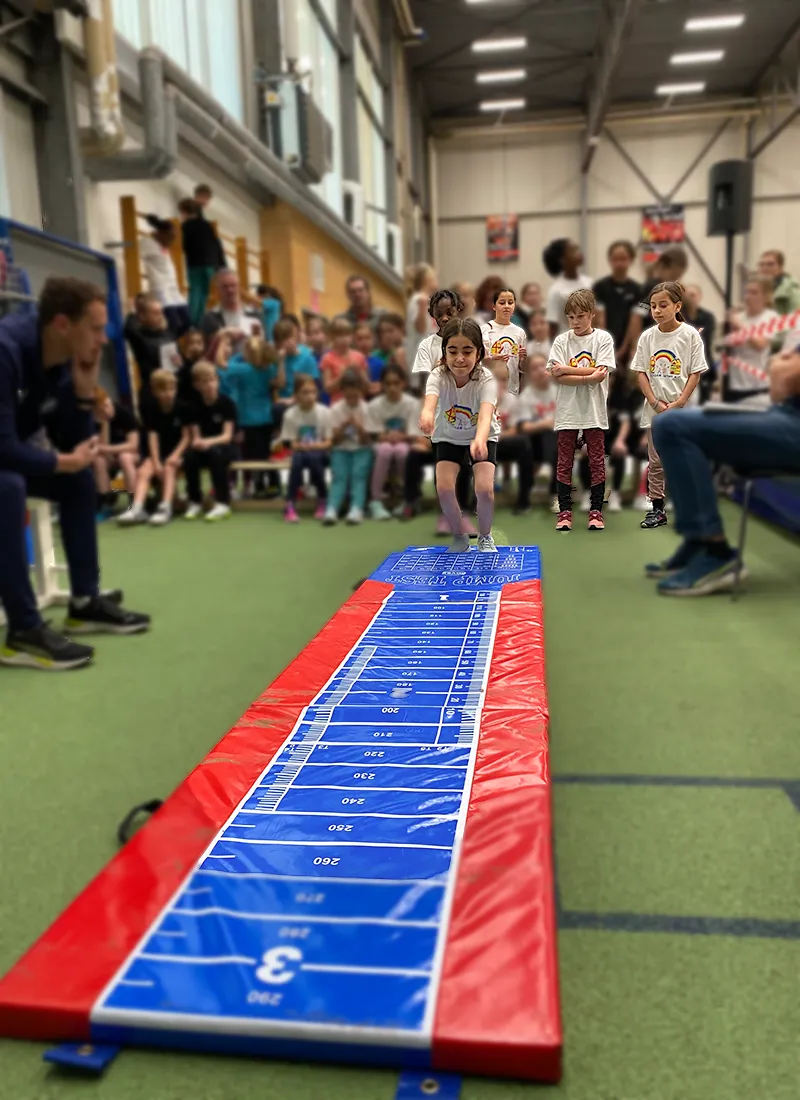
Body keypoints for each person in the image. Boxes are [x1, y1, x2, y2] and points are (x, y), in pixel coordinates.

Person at [0, 277, 149, 670]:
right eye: (96, 329)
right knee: (8, 486)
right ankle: (23, 630)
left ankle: (84, 603)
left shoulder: (63, 362)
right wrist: (60, 461)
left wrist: (83, 396)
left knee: (78, 480)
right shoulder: (6, 351)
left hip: (9, 456)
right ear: (63, 324)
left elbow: (78, 447)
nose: (103, 339)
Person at [647, 345, 800, 595]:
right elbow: (779, 383)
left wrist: (784, 365)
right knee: (674, 424)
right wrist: (783, 368)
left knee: (673, 425)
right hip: (785, 414)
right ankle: (698, 542)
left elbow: (784, 376)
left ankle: (714, 549)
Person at [630, 281, 708, 530]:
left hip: (683, 411)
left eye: (663, 305)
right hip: (656, 411)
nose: (657, 310)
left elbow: (695, 372)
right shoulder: (647, 337)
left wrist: (680, 402)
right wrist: (654, 401)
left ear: (677, 306)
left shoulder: (690, 335)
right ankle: (657, 510)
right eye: (653, 306)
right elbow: (641, 372)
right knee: (656, 461)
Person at [419, 318, 499, 553]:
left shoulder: (486, 379)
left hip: (481, 437)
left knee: (484, 489)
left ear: (479, 353)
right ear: (444, 353)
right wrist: (426, 415)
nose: (460, 358)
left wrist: (480, 439)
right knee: (444, 488)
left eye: (467, 351)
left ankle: (485, 536)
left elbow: (485, 415)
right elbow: (430, 401)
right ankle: (459, 535)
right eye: (453, 351)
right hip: (448, 436)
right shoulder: (438, 375)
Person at [547, 288, 616, 532]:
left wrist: (568, 369)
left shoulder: (603, 339)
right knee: (564, 461)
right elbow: (559, 377)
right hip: (568, 412)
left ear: (592, 315)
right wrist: (589, 374)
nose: (576, 322)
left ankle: (596, 511)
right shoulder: (561, 341)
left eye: (581, 316)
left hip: (594, 412)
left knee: (597, 460)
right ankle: (565, 512)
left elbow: (602, 374)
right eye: (571, 317)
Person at [118, 369, 191, 527]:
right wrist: (156, 461)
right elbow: (153, 437)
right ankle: (138, 508)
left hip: (180, 452)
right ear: (155, 391)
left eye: (172, 389)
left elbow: (186, 437)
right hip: (160, 452)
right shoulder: (152, 410)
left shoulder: (183, 407)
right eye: (164, 390)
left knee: (169, 467)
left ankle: (166, 508)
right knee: (144, 470)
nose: (168, 393)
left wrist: (174, 456)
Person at [224, 336, 282, 496]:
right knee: (266, 454)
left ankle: (261, 486)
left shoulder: (245, 369)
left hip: (249, 420)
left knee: (255, 456)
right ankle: (271, 485)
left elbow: (222, 364)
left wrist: (223, 339)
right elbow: (280, 382)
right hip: (266, 418)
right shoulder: (269, 369)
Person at [183, 360, 236, 521]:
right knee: (190, 456)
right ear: (197, 385)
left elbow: (227, 436)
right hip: (204, 447)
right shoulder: (192, 406)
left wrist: (208, 442)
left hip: (224, 448)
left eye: (213, 380)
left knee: (215, 454)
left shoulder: (227, 403)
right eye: (205, 382)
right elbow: (196, 435)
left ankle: (223, 503)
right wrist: (198, 442)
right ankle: (195, 501)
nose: (210, 385)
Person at [366, 363, 419, 519]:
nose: (392, 388)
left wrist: (399, 437)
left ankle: (406, 498)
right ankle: (375, 500)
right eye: (388, 384)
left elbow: (412, 432)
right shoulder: (375, 405)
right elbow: (374, 433)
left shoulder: (412, 403)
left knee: (402, 452)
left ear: (403, 383)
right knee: (385, 451)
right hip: (382, 442)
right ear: (382, 385)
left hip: (405, 442)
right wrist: (387, 436)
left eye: (396, 383)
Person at [324, 368, 373, 525]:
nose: (352, 398)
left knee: (359, 477)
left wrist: (358, 427)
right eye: (348, 395)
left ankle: (356, 508)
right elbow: (334, 440)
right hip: (341, 449)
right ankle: (332, 508)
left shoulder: (367, 409)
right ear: (342, 392)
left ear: (361, 391)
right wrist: (344, 427)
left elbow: (367, 440)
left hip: (361, 449)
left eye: (355, 395)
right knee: (339, 477)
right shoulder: (336, 409)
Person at [577, 370, 630, 514]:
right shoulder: (588, 395)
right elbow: (580, 421)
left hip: (612, 440)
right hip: (591, 438)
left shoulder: (619, 398)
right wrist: (584, 443)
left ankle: (615, 494)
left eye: (610, 376)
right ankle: (588, 494)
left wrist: (620, 441)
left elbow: (625, 421)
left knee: (620, 452)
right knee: (585, 454)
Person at [281, 373, 331, 523]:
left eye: (313, 392)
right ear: (296, 395)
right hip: (301, 452)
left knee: (314, 458)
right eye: (305, 392)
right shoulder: (290, 414)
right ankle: (290, 504)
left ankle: (323, 499)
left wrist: (315, 446)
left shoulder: (325, 412)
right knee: (296, 461)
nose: (310, 396)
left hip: (321, 452)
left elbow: (329, 442)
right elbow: (290, 442)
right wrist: (301, 446)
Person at [724, 276, 778, 405]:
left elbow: (760, 344)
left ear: (766, 297)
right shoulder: (738, 317)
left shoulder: (770, 317)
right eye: (746, 292)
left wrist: (739, 326)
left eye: (754, 292)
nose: (748, 296)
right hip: (734, 383)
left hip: (757, 384)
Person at [492, 360, 534, 515]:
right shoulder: (478, 398)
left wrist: (499, 435)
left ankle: (524, 501)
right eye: (497, 380)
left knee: (524, 444)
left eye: (504, 380)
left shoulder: (511, 400)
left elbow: (514, 430)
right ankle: (468, 503)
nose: (500, 384)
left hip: (500, 443)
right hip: (480, 444)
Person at [517, 352, 558, 509]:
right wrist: (545, 423)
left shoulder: (559, 391)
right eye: (535, 368)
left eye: (543, 366)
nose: (541, 370)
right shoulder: (526, 396)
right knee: (548, 432)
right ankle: (545, 470)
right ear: (529, 374)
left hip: (558, 440)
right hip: (534, 443)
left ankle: (556, 495)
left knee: (557, 440)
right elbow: (525, 427)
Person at [178, 197, 226, 326]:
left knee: (195, 291)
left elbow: (183, 245)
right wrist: (221, 265)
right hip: (211, 263)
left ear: (184, 212)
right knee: (204, 292)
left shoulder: (185, 227)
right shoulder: (207, 225)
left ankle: (192, 322)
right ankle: (199, 321)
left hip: (195, 263)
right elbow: (217, 244)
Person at [592, 240, 641, 363]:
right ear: (610, 260)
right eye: (615, 259)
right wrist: (607, 348)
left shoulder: (638, 289)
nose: (619, 263)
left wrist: (626, 348)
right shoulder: (599, 287)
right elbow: (599, 319)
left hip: (627, 346)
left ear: (631, 260)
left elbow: (635, 320)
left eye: (623, 259)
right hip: (603, 346)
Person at [93, 390, 140, 517]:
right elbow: (102, 445)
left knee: (124, 457)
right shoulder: (98, 420)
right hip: (112, 456)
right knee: (98, 460)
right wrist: (105, 423)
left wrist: (107, 450)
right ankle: (106, 503)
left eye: (107, 406)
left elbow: (133, 445)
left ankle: (134, 503)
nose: (105, 411)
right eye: (100, 411)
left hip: (135, 455)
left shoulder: (124, 414)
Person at [141, 215, 190, 336]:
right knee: (173, 324)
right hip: (160, 290)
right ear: (161, 233)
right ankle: (165, 345)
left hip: (173, 290)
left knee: (188, 322)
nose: (172, 241)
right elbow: (134, 257)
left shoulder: (163, 247)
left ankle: (168, 342)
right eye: (170, 237)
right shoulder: (147, 243)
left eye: (174, 238)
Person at [123, 293, 180, 396]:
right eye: (155, 313)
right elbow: (129, 329)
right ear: (143, 316)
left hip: (173, 388)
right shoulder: (140, 336)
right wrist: (131, 312)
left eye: (161, 312)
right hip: (153, 391)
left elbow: (178, 360)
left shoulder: (167, 333)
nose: (160, 316)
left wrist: (180, 363)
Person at [543, 238, 594, 340]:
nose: (579, 253)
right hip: (569, 344)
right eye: (573, 251)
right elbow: (553, 326)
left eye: (578, 249)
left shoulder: (590, 283)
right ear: (562, 260)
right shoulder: (556, 291)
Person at [481, 287, 527, 395]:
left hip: (511, 389)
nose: (506, 306)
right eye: (502, 303)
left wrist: (523, 359)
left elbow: (521, 368)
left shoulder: (520, 332)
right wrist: (493, 359)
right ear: (493, 306)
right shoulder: (485, 329)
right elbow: (479, 360)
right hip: (489, 386)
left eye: (510, 302)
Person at [200, 270, 263, 343]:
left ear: (239, 287)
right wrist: (223, 335)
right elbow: (207, 348)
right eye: (225, 287)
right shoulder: (209, 318)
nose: (230, 290)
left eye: (233, 285)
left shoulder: (255, 314)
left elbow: (264, 344)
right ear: (218, 290)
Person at [637, 246, 688, 331]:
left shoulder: (675, 289)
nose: (676, 278)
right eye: (674, 275)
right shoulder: (652, 287)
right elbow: (639, 313)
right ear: (665, 268)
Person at [320, 318, 369, 403]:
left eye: (347, 335)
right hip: (337, 405)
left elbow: (366, 386)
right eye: (340, 336)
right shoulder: (328, 358)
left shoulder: (359, 356)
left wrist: (359, 373)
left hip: (358, 403)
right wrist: (343, 374)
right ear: (332, 337)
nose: (344, 339)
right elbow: (327, 388)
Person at [682, 284, 717, 402]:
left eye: (693, 295)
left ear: (699, 297)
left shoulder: (707, 317)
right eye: (687, 296)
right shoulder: (678, 317)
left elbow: (704, 338)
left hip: (703, 367)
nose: (690, 298)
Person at [406, 263, 438, 370]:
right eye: (434, 278)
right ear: (427, 279)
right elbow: (420, 329)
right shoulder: (418, 299)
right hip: (420, 354)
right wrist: (422, 307)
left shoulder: (431, 300)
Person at [368, 312, 406, 395]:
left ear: (401, 330)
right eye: (382, 332)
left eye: (390, 331)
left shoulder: (409, 350)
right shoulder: (375, 355)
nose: (386, 335)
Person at [758, 250, 800, 317]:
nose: (765, 268)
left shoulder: (791, 289)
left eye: (770, 264)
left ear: (780, 267)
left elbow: (797, 316)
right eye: (762, 264)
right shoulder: (755, 287)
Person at [176, 327, 206, 402]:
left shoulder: (205, 362)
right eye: (191, 343)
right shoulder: (180, 361)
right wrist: (187, 360)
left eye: (199, 343)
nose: (195, 346)